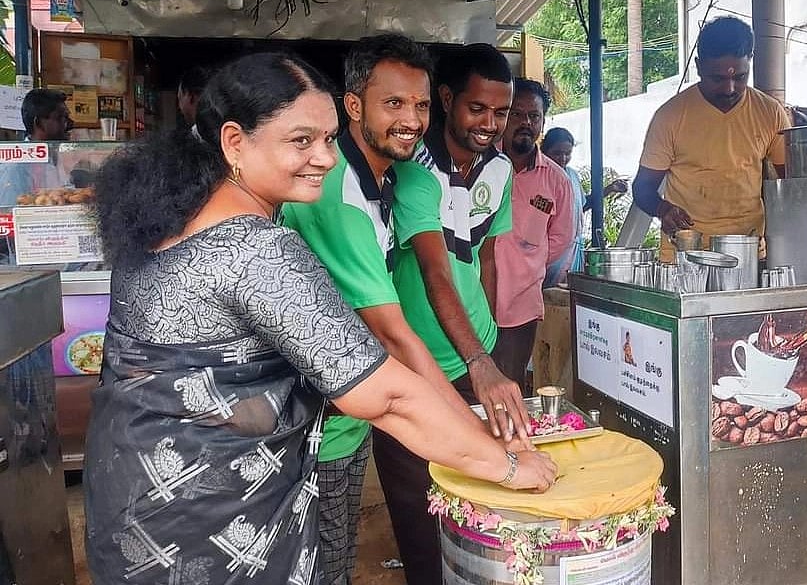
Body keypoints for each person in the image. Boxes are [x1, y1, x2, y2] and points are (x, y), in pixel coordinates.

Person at [83, 51, 556, 585]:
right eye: (301, 140)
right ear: (235, 142)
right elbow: (384, 394)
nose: (327, 159)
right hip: (211, 525)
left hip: (133, 500)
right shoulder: (257, 250)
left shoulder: (168, 218)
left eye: (329, 139)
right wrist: (508, 466)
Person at [280, 35, 474, 585]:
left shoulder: (384, 180)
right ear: (354, 105)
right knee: (320, 566)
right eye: (393, 104)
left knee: (332, 561)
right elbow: (391, 335)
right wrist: (472, 434)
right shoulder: (338, 193)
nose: (411, 120)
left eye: (419, 105)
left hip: (339, 416)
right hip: (306, 430)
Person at [388, 43, 527, 584]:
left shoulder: (500, 169)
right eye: (477, 109)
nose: (490, 124)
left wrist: (487, 340)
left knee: (478, 490)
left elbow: (484, 257)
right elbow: (435, 272)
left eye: (501, 112)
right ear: (446, 100)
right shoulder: (413, 172)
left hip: (475, 349)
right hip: (413, 357)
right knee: (417, 496)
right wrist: (479, 360)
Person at [630, 16, 790, 260]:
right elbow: (642, 187)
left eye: (740, 77)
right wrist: (663, 209)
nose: (730, 89)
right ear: (699, 66)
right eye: (718, 79)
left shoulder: (770, 113)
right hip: (685, 255)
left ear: (750, 62)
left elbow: (792, 182)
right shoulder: (670, 116)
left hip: (748, 254)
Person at [493, 79, 575, 387]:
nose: (526, 123)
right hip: (473, 301)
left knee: (509, 385)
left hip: (521, 305)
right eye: (517, 114)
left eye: (534, 117)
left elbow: (561, 239)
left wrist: (527, 262)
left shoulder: (556, 180)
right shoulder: (480, 165)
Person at [540, 127, 627, 287]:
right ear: (544, 151)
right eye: (557, 153)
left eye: (568, 153)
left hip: (573, 250)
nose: (563, 158)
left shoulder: (572, 175)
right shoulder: (539, 177)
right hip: (550, 251)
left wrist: (609, 189)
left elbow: (581, 205)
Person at [0, 89, 73, 207]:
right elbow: (9, 214)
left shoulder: (52, 159)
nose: (69, 124)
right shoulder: (14, 169)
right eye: (61, 117)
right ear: (38, 122)